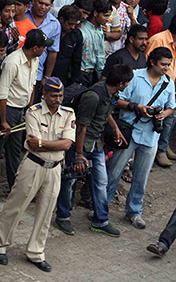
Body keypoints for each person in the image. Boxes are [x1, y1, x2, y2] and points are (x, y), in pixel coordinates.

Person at [0, 78, 75, 272]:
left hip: (54, 169)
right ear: (44, 94)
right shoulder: (33, 112)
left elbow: (66, 144)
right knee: (15, 206)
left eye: (60, 96)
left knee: (46, 212)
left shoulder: (68, 113)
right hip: (33, 165)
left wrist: (43, 143)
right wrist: (52, 144)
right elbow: (32, 144)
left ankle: (36, 252)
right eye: (54, 95)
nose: (57, 99)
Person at [54, 65, 133, 237]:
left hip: (95, 144)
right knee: (70, 182)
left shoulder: (110, 93)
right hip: (81, 144)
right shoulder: (93, 96)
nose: (127, 85)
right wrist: (79, 155)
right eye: (127, 82)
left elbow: (106, 113)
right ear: (121, 83)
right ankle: (62, 217)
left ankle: (101, 220)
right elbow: (81, 127)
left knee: (100, 182)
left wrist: (115, 129)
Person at [106, 49, 175, 229]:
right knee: (114, 172)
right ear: (152, 62)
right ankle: (100, 207)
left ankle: (134, 211)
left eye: (168, 64)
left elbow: (171, 108)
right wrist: (136, 107)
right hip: (129, 131)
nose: (166, 68)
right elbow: (117, 100)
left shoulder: (168, 83)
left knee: (141, 177)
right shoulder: (135, 77)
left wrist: (162, 115)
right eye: (163, 64)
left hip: (151, 135)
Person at [0, 29, 52, 199]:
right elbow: (2, 94)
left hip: (21, 109)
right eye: (43, 47)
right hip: (7, 110)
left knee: (15, 150)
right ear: (35, 47)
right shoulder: (13, 62)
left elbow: (32, 84)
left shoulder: (34, 60)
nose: (45, 50)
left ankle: (16, 186)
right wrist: (4, 120)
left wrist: (30, 107)